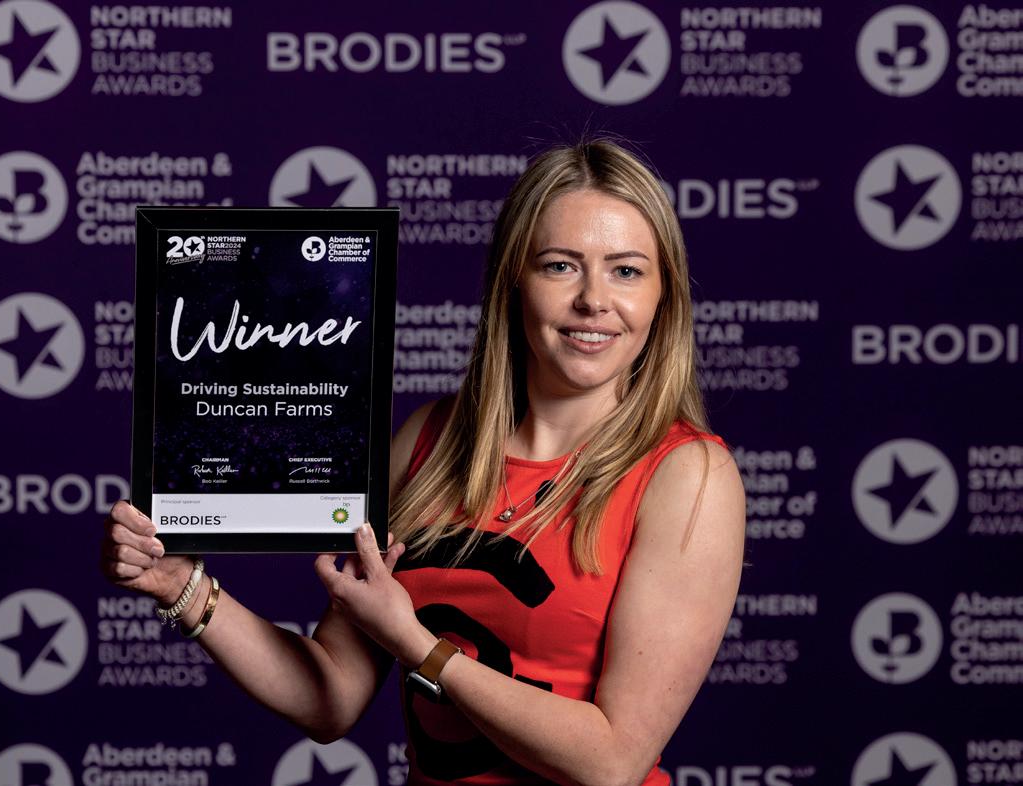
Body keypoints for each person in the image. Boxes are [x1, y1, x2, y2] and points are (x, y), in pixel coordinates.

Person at [102, 139, 745, 786]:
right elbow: (331, 695)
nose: (593, 300)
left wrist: (415, 644)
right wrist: (180, 586)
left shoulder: (687, 476)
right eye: (559, 266)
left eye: (626, 271)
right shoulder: (429, 442)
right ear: (512, 280)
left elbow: (612, 762)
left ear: (663, 296)